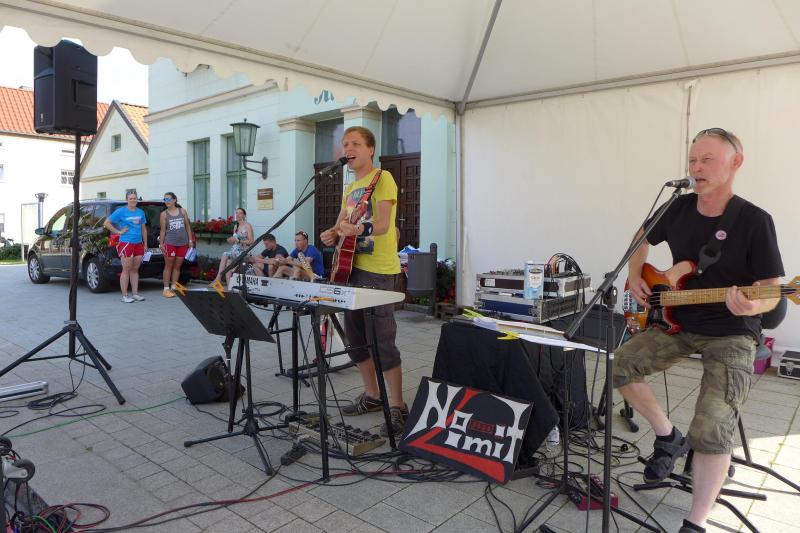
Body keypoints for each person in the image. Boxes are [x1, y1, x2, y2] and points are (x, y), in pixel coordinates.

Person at [614, 128, 783, 533]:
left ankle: (695, 522)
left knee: (711, 425)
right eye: (692, 160)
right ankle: (668, 436)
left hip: (732, 331)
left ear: (735, 163)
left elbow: (772, 291)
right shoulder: (677, 207)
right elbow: (641, 237)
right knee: (621, 363)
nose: (696, 168)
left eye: (707, 159)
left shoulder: (755, 220)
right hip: (679, 322)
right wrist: (635, 275)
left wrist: (754, 304)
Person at [320, 126, 405, 437]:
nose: (348, 148)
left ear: (371, 149)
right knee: (355, 338)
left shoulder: (383, 179)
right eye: (345, 144)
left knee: (382, 339)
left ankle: (398, 405)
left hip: (378, 271)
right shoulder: (351, 187)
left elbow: (383, 224)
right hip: (349, 270)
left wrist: (361, 230)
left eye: (355, 143)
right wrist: (332, 234)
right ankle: (372, 395)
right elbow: (341, 225)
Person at [104, 192, 149, 303]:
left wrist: (145, 244)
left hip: (138, 243)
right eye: (130, 198)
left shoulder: (140, 212)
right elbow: (107, 223)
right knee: (126, 269)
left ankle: (135, 294)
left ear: (137, 199)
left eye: (134, 198)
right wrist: (118, 232)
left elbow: (143, 229)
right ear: (127, 199)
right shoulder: (121, 211)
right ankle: (124, 296)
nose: (133, 200)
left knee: (135, 269)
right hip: (126, 243)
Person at [158, 192, 194, 298]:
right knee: (168, 265)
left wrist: (190, 240)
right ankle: (166, 289)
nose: (167, 201)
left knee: (177, 266)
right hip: (170, 243)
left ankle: (174, 287)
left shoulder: (182, 211)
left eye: (169, 199)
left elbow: (187, 226)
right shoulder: (164, 214)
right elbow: (162, 230)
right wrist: (161, 244)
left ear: (174, 200)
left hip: (183, 243)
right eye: (165, 199)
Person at [212, 207, 254, 286]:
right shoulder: (236, 226)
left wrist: (240, 241)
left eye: (240, 213)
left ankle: (218, 278)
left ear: (244, 215)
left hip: (244, 251)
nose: (237, 215)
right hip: (235, 250)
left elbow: (251, 241)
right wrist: (230, 240)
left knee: (225, 255)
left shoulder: (247, 225)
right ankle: (229, 285)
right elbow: (235, 241)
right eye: (236, 213)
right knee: (228, 262)